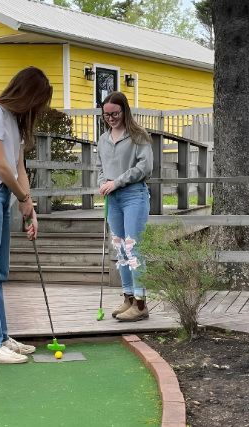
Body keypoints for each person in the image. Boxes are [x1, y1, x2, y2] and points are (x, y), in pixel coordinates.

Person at [0, 66, 51, 364]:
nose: (35, 109)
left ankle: (0, 335)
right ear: (25, 92)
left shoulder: (14, 122)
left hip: (1, 195)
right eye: (36, 101)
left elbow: (19, 169)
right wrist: (23, 197)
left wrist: (30, 210)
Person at [96, 91, 153, 322]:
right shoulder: (103, 139)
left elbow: (145, 167)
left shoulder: (138, 135)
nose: (111, 118)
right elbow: (99, 167)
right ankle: (128, 298)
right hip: (113, 199)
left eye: (115, 113)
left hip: (133, 195)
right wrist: (102, 183)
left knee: (133, 248)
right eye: (107, 114)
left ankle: (140, 304)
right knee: (120, 249)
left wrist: (116, 182)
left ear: (124, 111)